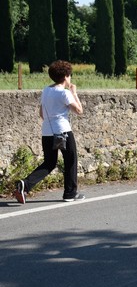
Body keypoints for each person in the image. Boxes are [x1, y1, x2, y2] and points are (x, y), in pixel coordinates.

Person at [13, 60, 85, 204]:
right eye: (69, 75)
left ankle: (25, 184)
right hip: (63, 131)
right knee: (70, 160)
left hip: (47, 132)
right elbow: (79, 111)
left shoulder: (46, 90)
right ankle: (70, 193)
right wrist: (74, 93)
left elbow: (41, 113)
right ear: (65, 76)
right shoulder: (64, 93)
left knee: (49, 162)